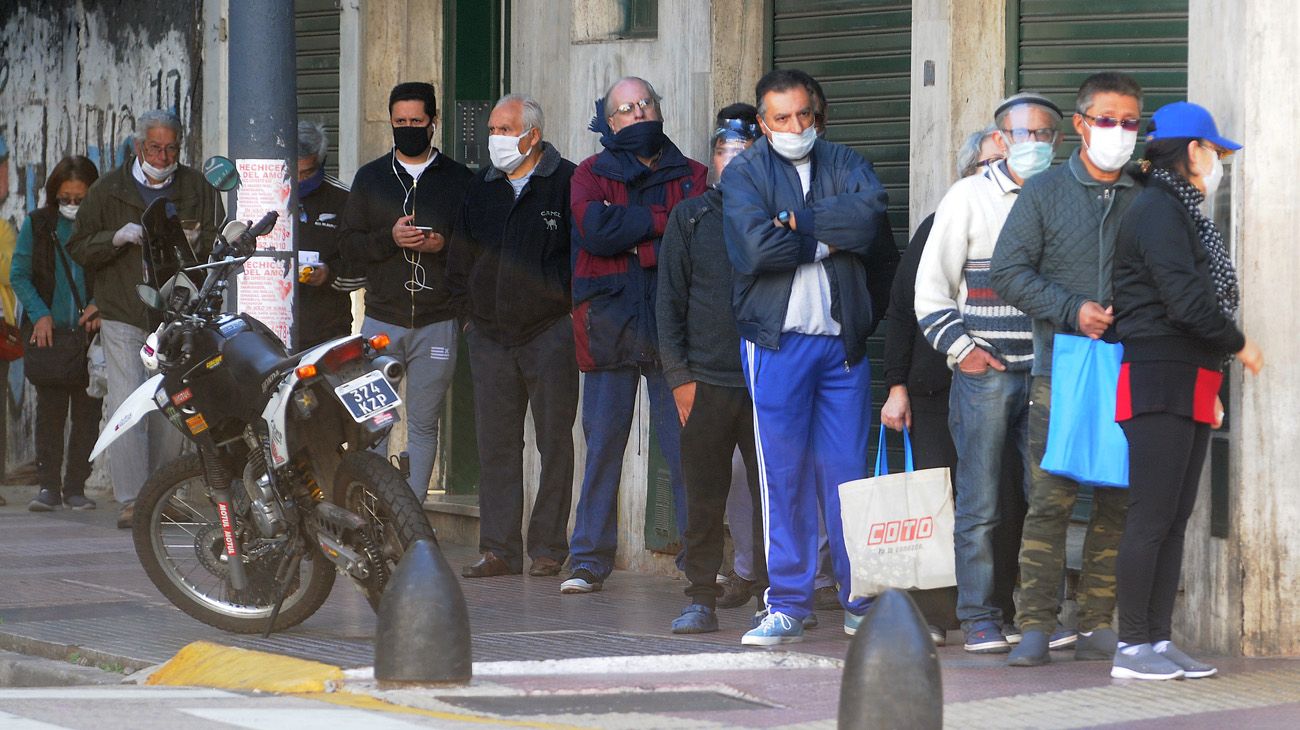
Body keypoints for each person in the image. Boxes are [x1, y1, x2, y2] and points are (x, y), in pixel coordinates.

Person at [723, 68, 898, 645]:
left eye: (804, 115)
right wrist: (829, 237)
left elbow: (871, 218)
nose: (795, 127)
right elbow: (753, 247)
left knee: (847, 475)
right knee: (783, 475)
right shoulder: (746, 170)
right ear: (762, 122)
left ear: (817, 115)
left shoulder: (846, 161)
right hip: (777, 344)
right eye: (781, 118)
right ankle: (790, 602)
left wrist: (798, 224)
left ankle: (859, 599)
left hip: (842, 346)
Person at [991, 72, 1145, 666]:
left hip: (1130, 367)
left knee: (1119, 495)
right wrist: (1069, 308)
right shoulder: (1045, 191)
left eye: (1131, 121)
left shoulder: (1145, 193)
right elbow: (1008, 270)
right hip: (1060, 368)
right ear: (1081, 125)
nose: (1120, 132)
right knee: (1051, 498)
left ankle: (1099, 620)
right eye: (1108, 119)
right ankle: (1035, 623)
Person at [1109, 102, 1262, 680]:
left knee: (1176, 516)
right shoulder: (1157, 210)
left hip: (1192, 374)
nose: (1219, 162)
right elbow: (1185, 300)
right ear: (1191, 151)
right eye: (1215, 151)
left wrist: (1215, 372)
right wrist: (1240, 344)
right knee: (1151, 516)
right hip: (1158, 372)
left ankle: (1157, 639)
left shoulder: (1182, 210)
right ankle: (1130, 649)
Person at [914, 93, 1062, 653]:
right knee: (979, 501)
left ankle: (1037, 616)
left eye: (1045, 135)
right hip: (986, 374)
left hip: (1048, 372)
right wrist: (965, 352)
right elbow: (930, 292)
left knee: (1045, 497)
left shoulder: (1063, 198)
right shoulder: (968, 197)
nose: (1034, 144)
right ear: (999, 140)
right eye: (1023, 134)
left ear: (1059, 141)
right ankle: (978, 616)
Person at [561, 76, 707, 595]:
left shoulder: (693, 174)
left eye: (646, 103)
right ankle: (587, 560)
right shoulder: (588, 174)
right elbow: (595, 233)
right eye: (626, 109)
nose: (639, 114)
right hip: (610, 327)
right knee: (602, 448)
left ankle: (699, 563)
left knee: (687, 449)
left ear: (659, 111)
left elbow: (695, 237)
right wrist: (660, 230)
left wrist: (633, 237)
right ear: (609, 121)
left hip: (674, 334)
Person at [68, 110, 223, 529]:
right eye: (154, 147)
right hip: (123, 311)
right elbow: (79, 246)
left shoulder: (198, 187)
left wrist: (195, 243)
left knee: (174, 402)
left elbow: (218, 241)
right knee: (127, 403)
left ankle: (162, 492)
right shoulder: (108, 190)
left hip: (175, 315)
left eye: (171, 147)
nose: (162, 155)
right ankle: (134, 499)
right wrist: (115, 238)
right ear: (139, 147)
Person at [881, 125, 1005, 647]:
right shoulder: (938, 225)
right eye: (986, 165)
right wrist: (896, 386)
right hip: (934, 388)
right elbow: (903, 311)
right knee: (936, 502)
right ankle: (931, 613)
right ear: (965, 176)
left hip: (1002, 386)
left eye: (1006, 163)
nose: (997, 175)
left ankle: (998, 608)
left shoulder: (1028, 225)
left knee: (1000, 500)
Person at [448, 93, 578, 579]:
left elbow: (577, 257)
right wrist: (468, 317)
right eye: (494, 130)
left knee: (554, 442)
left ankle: (548, 547)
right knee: (497, 445)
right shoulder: (482, 187)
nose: (496, 139)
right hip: (488, 336)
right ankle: (498, 548)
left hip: (548, 334)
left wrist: (564, 312)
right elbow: (459, 259)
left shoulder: (565, 183)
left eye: (506, 130)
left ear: (532, 135)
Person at [657, 103, 767, 633]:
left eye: (744, 153)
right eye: (725, 152)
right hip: (706, 383)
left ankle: (776, 597)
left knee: (773, 497)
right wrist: (679, 379)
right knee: (703, 498)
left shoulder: (775, 214)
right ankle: (700, 595)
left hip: (767, 382)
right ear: (712, 161)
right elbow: (668, 304)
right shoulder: (691, 216)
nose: (734, 161)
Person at [339, 82, 473, 500]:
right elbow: (347, 250)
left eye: (417, 121)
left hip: (438, 322)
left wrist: (443, 245)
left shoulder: (459, 180)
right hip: (380, 321)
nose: (409, 128)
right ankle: (369, 511)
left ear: (433, 122)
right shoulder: (371, 178)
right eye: (401, 122)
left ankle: (412, 519)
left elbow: (476, 250)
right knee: (371, 423)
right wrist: (390, 238)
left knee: (424, 423)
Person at [11, 157, 103, 511]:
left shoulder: (99, 225)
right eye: (66, 198)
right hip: (48, 334)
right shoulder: (38, 224)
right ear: (54, 195)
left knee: (87, 414)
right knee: (49, 413)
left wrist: (99, 304)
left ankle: (76, 486)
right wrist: (40, 315)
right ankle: (47, 486)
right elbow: (20, 274)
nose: (72, 205)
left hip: (88, 335)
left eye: (80, 199)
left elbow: (115, 272)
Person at [295, 122, 363, 350]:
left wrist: (329, 275)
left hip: (326, 332)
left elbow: (364, 267)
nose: (298, 181)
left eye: (306, 173)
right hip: (268, 331)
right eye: (291, 171)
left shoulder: (344, 199)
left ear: (321, 162)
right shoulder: (261, 196)